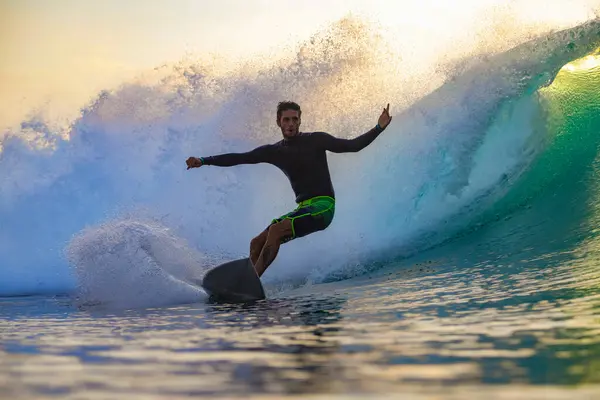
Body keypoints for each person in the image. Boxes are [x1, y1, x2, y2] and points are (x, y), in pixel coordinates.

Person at [186, 101, 392, 277]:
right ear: (278, 122)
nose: (291, 124)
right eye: (286, 120)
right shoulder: (274, 151)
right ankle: (246, 283)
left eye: (295, 119)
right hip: (302, 208)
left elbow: (352, 146)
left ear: (300, 120)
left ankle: (252, 281)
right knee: (256, 242)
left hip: (323, 207)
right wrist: (204, 160)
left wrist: (379, 127)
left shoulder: (316, 139)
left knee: (276, 230)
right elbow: (240, 157)